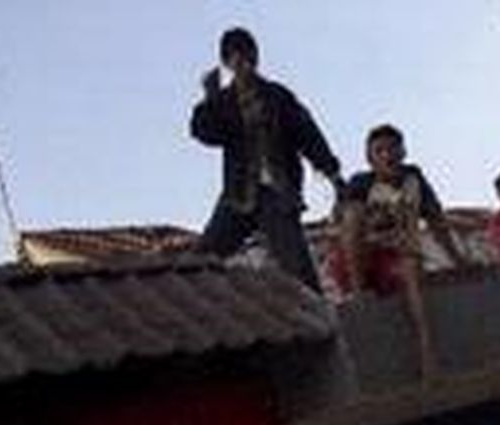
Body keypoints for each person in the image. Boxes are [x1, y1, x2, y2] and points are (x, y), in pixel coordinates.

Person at [190, 27, 343, 290]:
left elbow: (308, 135)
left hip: (278, 193)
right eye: (234, 57)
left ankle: (325, 324)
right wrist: (209, 99)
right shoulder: (224, 101)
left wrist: (333, 174)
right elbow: (205, 133)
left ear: (255, 57)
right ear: (227, 62)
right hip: (238, 195)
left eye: (246, 55)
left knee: (300, 271)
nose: (242, 62)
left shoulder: (277, 96)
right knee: (200, 261)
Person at [333, 124, 468, 378]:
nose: (387, 155)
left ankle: (427, 353)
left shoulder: (414, 179)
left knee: (411, 259)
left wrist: (458, 259)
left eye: (393, 149)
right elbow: (345, 227)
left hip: (395, 263)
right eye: (379, 151)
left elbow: (436, 222)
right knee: (354, 214)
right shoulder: (360, 183)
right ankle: (360, 292)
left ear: (403, 151)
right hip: (359, 261)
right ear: (370, 159)